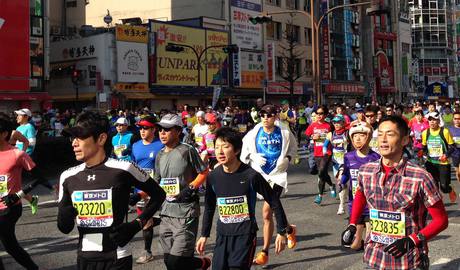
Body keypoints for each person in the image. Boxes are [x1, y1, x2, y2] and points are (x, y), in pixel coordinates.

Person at [57, 111, 166, 270]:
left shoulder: (123, 168)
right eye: (72, 138)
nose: (74, 143)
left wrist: (136, 225)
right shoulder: (68, 176)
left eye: (80, 137)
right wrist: (65, 216)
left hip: (117, 257)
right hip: (84, 258)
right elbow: (64, 228)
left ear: (101, 138)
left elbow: (159, 194)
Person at [341, 115, 449, 270]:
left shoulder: (421, 176)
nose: (383, 140)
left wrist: (412, 240)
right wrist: (352, 224)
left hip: (409, 260)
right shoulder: (366, 171)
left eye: (390, 134)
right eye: (380, 135)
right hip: (375, 256)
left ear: (404, 140)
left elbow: (441, 220)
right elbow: (360, 195)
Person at [196, 127, 291, 270]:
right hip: (223, 235)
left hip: (245, 235)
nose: (220, 151)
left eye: (225, 146)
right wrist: (204, 234)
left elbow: (274, 201)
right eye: (217, 147)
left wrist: (281, 231)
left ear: (236, 150)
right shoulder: (213, 176)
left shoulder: (251, 175)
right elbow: (209, 207)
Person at [240, 104, 297, 266]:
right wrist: (253, 156)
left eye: (269, 115)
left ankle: (264, 251)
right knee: (271, 207)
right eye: (263, 115)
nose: (266, 118)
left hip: (278, 175)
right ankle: (289, 229)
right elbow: (245, 153)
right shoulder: (254, 133)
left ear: (276, 116)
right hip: (261, 174)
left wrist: (287, 159)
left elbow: (293, 147)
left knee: (267, 211)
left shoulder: (284, 131)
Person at [153, 113, 211, 270]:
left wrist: (190, 188)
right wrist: (138, 195)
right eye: (160, 129)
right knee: (169, 262)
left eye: (167, 129)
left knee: (176, 262)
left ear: (178, 131)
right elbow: (157, 183)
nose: (162, 133)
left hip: (186, 212)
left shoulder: (187, 150)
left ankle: (203, 263)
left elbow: (204, 172)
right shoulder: (159, 155)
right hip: (166, 213)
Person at [0, 114, 49, 270]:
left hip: (10, 208)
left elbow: (40, 177)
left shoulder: (17, 154)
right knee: (9, 245)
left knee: (9, 244)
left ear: (4, 134)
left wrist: (18, 195)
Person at [340, 122, 380, 250]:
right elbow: (346, 173)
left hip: (371, 204)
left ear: (368, 137)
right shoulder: (348, 156)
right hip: (354, 203)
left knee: (370, 240)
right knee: (354, 245)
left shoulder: (376, 157)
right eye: (355, 136)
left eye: (361, 135)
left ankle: (370, 255)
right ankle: (360, 243)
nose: (357, 138)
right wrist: (341, 181)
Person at [130, 116, 164, 264]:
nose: (142, 131)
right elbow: (132, 167)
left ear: (153, 129)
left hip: (159, 189)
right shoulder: (136, 145)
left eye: (146, 128)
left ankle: (169, 221)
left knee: (151, 219)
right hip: (140, 190)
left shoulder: (161, 144)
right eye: (141, 128)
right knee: (145, 220)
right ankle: (148, 252)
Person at [421, 111, 457, 203]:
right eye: (430, 120)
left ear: (438, 121)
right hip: (430, 163)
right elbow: (424, 147)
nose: (432, 122)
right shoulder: (425, 133)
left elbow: (453, 146)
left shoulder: (444, 132)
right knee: (433, 187)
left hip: (443, 163)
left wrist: (446, 155)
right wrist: (423, 153)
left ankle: (450, 190)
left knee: (444, 187)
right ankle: (439, 204)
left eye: (434, 120)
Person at [305, 105, 335, 205]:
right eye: (317, 113)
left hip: (327, 152)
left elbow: (335, 135)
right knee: (322, 173)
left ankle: (319, 196)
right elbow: (307, 134)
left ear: (325, 114)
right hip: (317, 152)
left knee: (322, 171)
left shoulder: (329, 125)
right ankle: (331, 185)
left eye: (321, 113)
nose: (319, 115)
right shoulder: (313, 125)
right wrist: (313, 136)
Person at [14, 108, 39, 215]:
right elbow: (16, 144)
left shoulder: (29, 127)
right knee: (13, 184)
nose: (17, 117)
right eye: (17, 115)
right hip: (15, 157)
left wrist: (22, 144)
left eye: (19, 115)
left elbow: (32, 143)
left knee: (12, 183)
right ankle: (31, 200)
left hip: (24, 158)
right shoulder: (18, 127)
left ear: (26, 117)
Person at [323, 115, 349, 215]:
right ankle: (343, 199)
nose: (336, 124)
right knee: (340, 183)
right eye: (334, 122)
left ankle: (341, 206)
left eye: (339, 122)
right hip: (335, 162)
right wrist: (326, 152)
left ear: (343, 123)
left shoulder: (347, 133)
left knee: (341, 181)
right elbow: (325, 145)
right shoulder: (331, 134)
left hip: (346, 161)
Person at [449, 111, 460, 184]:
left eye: (459, 118)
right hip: (454, 154)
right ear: (453, 119)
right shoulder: (449, 129)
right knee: (458, 173)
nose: (457, 120)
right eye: (455, 119)